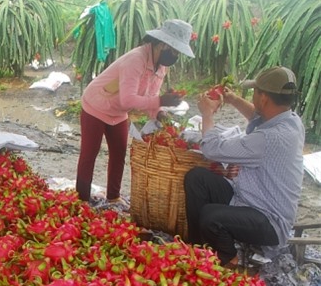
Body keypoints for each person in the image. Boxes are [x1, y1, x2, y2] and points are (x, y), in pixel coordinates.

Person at [184, 66, 304, 266]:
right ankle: (199, 248)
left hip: (269, 220)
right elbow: (257, 117)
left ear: (264, 98)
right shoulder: (291, 121)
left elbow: (212, 149)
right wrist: (233, 100)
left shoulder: (269, 139)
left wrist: (207, 114)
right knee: (197, 178)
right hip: (248, 198)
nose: (253, 95)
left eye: (255, 91)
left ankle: (228, 257)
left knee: (210, 217)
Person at [76, 19, 195, 206]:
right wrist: (160, 101)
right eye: (174, 51)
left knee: (119, 153)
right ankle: (81, 199)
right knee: (90, 153)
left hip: (118, 111)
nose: (175, 56)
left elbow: (153, 96)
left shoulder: (160, 67)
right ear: (163, 44)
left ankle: (113, 196)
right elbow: (128, 99)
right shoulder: (136, 59)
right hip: (96, 105)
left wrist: (160, 113)